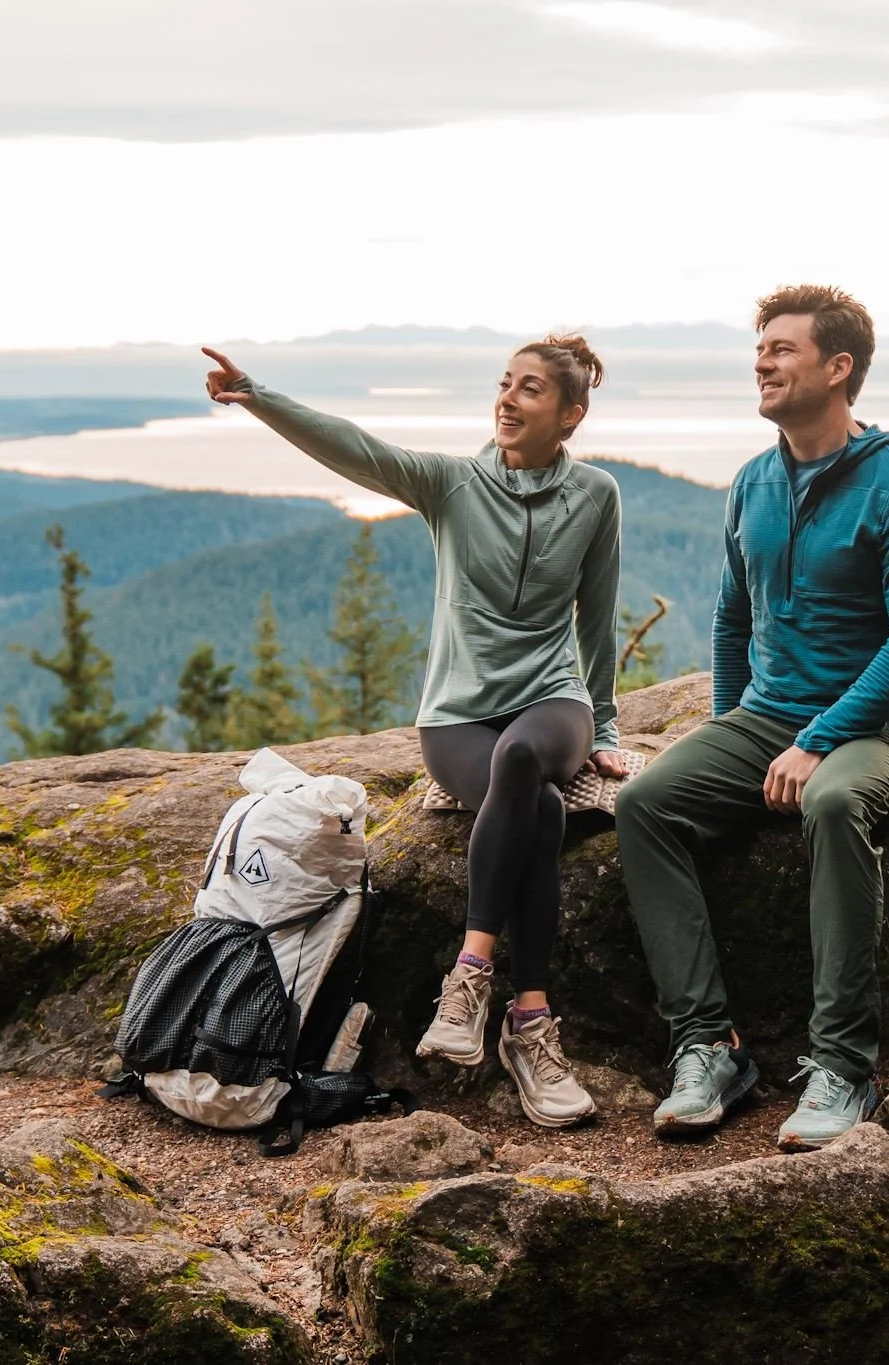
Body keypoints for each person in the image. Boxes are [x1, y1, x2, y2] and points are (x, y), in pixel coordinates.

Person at [203, 336, 628, 1129]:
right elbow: (356, 449)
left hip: (551, 705)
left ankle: (469, 971)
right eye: (504, 383)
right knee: (537, 806)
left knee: (527, 757)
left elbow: (596, 619)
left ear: (570, 414)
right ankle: (528, 1021)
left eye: (529, 389)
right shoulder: (453, 484)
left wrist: (602, 721)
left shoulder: (596, 495)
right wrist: (257, 395)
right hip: (456, 715)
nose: (507, 398)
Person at [615, 285, 889, 1152]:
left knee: (834, 804)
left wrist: (817, 740)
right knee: (646, 804)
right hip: (767, 718)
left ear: (838, 368)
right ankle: (708, 1046)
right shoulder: (754, 480)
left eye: (782, 349)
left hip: (879, 726)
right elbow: (733, 618)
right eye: (759, 348)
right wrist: (735, 735)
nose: (761, 361)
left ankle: (844, 1064)